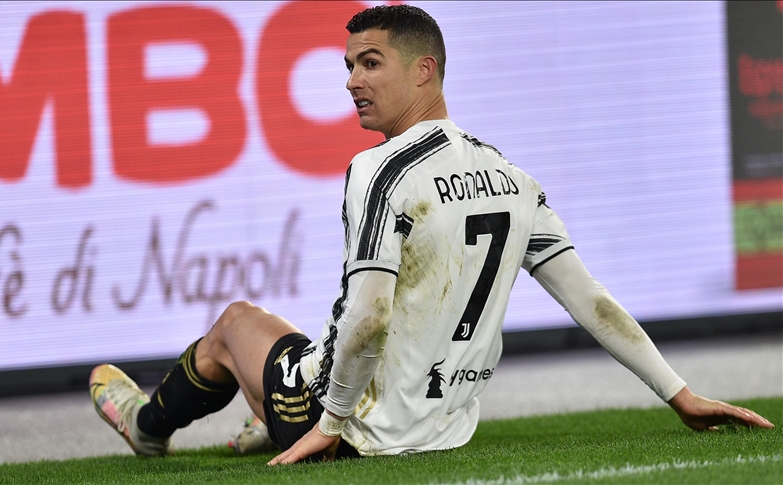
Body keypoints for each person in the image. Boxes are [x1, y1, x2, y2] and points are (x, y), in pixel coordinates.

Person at [89, 4, 774, 464]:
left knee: (236, 323)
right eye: (349, 66)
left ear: (425, 70)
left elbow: (370, 315)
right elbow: (589, 299)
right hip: (443, 430)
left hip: (354, 424)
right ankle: (263, 410)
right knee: (293, 337)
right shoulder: (510, 176)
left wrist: (329, 425)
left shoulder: (379, 169)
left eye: (370, 63)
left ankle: (147, 427)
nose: (352, 81)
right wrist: (679, 392)